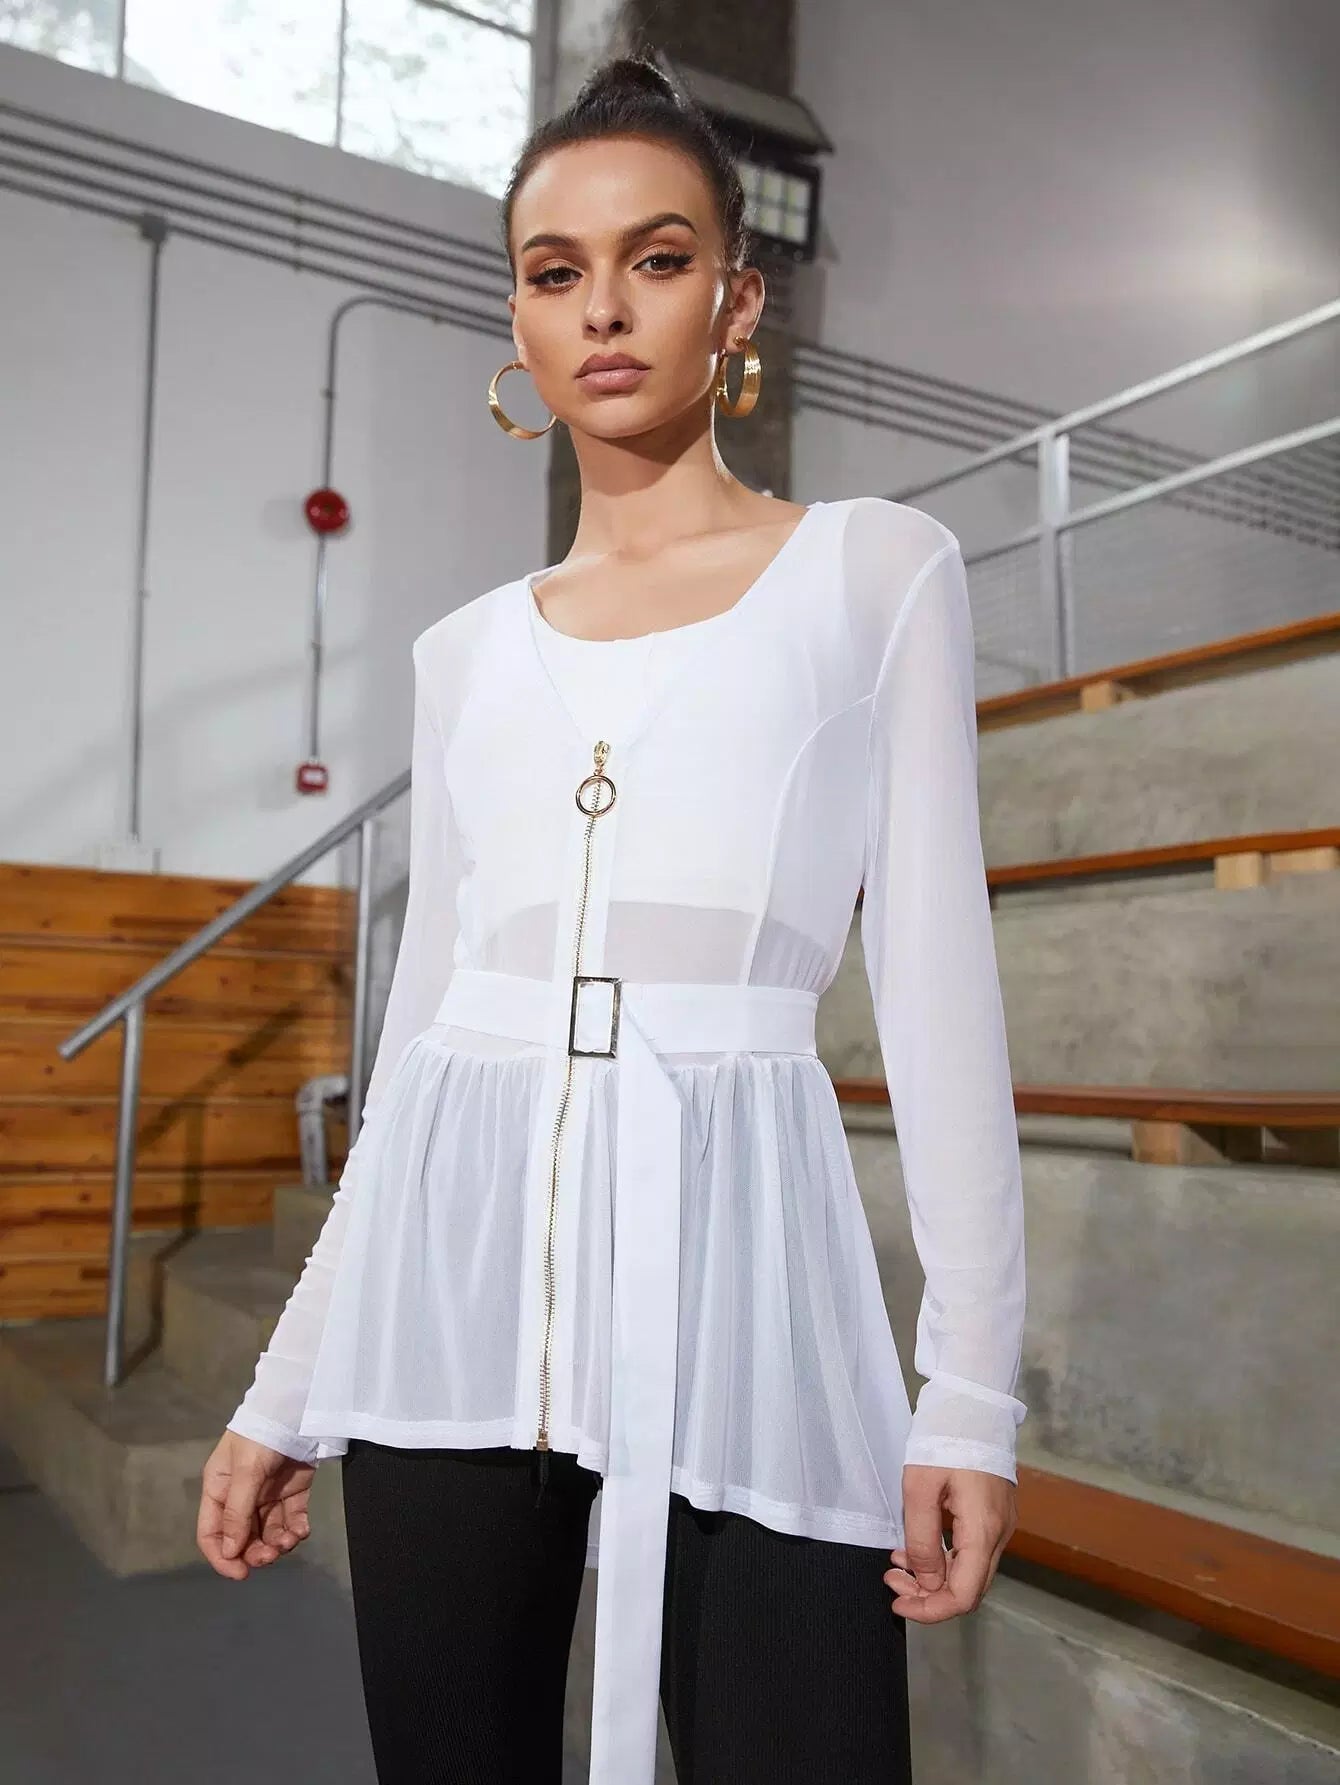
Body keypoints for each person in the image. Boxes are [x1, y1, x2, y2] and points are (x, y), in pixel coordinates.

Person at [195, 47, 1027, 1785]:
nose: (603, 309)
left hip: (747, 1280)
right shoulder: (464, 652)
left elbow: (942, 997)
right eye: (554, 269)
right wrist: (288, 1384)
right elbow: (420, 1050)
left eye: (656, 258)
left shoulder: (875, 572)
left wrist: (970, 1389)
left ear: (738, 297)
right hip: (458, 1300)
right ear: (517, 314)